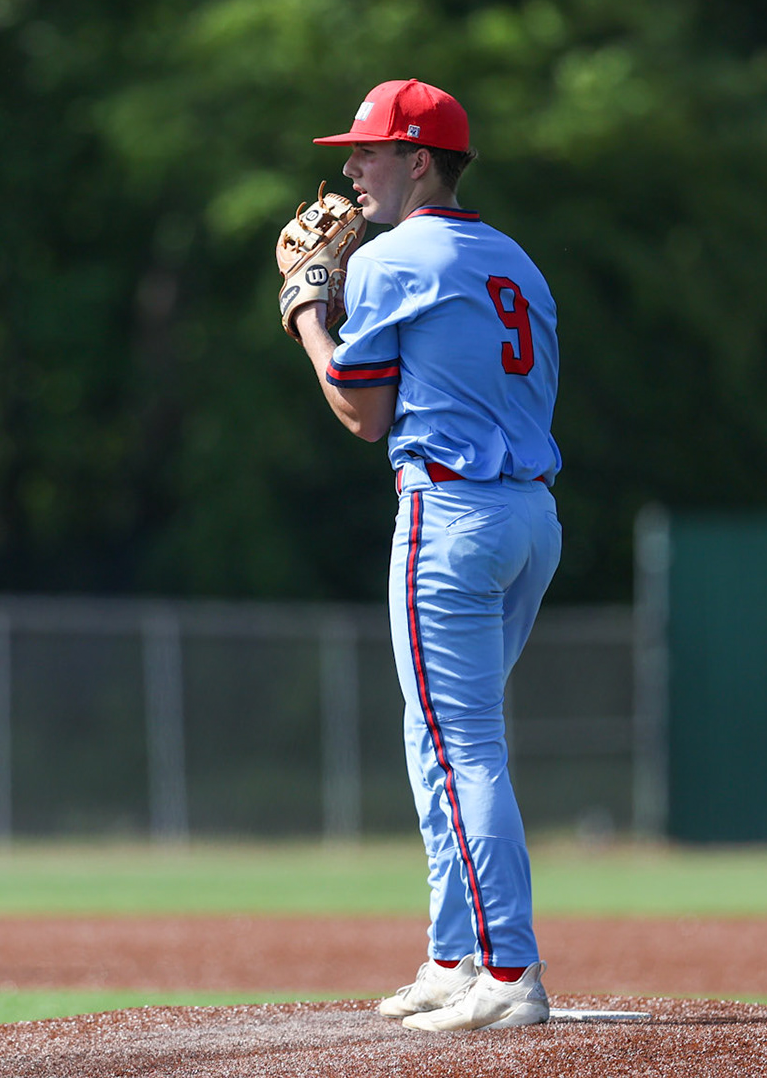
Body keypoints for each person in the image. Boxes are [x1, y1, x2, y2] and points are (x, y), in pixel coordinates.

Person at [282, 79, 562, 1030]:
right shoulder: (516, 260)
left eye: (367, 151)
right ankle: (452, 956)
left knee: (460, 745)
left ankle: (509, 973)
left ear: (420, 160)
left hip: (449, 515)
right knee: (435, 735)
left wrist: (305, 313)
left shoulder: (395, 256)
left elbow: (363, 414)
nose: (350, 167)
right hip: (530, 521)